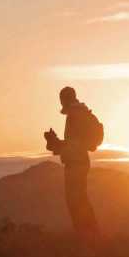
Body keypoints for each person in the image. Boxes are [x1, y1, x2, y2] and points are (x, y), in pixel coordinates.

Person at [44, 87, 101, 236]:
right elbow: (75, 144)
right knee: (80, 199)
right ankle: (90, 234)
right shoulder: (80, 113)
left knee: (75, 201)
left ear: (64, 99)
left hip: (76, 163)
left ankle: (87, 235)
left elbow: (73, 146)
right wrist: (56, 142)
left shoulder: (75, 116)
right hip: (79, 161)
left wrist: (54, 142)